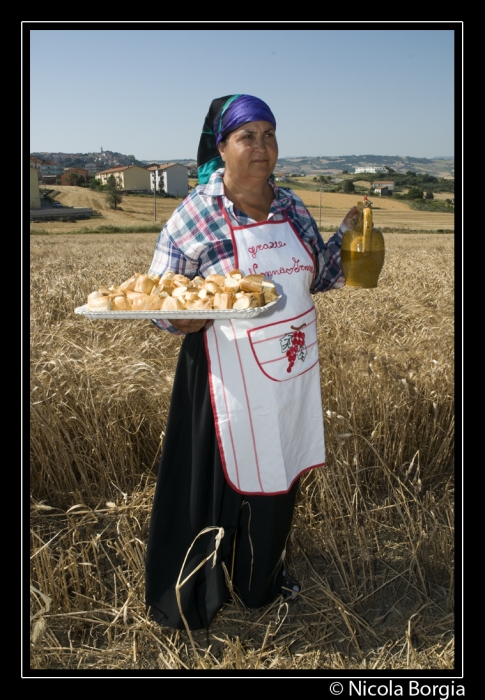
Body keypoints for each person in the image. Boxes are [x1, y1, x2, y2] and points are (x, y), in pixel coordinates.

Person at [145, 94, 356, 630]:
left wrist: (348, 241)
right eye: (247, 136)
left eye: (269, 134)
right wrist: (179, 320)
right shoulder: (195, 213)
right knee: (215, 484)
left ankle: (260, 579)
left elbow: (317, 277)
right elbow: (157, 300)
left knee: (279, 471)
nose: (261, 147)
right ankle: (195, 595)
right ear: (223, 146)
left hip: (289, 370)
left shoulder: (292, 206)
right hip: (223, 376)